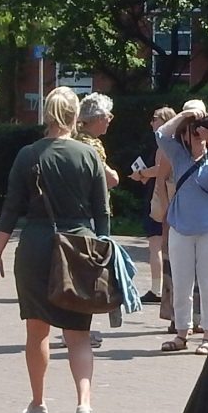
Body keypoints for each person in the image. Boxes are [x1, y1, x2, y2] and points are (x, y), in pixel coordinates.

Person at [0, 87, 112, 413]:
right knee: (78, 335)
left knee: (37, 331)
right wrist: (103, 252)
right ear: (76, 117)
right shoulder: (89, 156)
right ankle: (84, 406)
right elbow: (101, 211)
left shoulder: (28, 155)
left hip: (36, 247)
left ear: (46, 115)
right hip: (77, 248)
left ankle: (38, 405)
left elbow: (11, 209)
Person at [154, 104, 208, 352]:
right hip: (181, 227)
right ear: (184, 134)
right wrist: (185, 116)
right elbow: (160, 135)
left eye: (200, 129)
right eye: (192, 130)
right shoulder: (178, 154)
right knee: (181, 282)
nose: (196, 134)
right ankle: (181, 333)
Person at [77, 93, 135, 345]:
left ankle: (78, 329)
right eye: (107, 115)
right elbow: (109, 179)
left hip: (81, 212)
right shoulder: (90, 145)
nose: (111, 119)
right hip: (91, 215)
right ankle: (79, 330)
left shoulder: (79, 140)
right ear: (96, 118)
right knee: (88, 272)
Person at [128, 105, 177, 304]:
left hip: (160, 200)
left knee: (155, 245)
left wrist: (141, 174)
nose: (151, 122)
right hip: (169, 198)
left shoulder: (164, 144)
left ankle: (157, 289)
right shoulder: (177, 143)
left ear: (164, 120)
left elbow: (160, 170)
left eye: (155, 118)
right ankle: (166, 288)